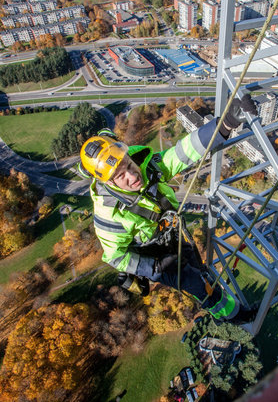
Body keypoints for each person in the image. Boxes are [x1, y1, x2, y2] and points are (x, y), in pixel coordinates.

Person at [79, 95, 257, 322]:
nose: (132, 175)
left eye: (128, 165)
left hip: (171, 238)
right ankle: (235, 315)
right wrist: (154, 268)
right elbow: (116, 257)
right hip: (156, 258)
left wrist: (225, 124)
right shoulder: (110, 214)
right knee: (198, 286)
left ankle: (208, 287)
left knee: (199, 269)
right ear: (107, 182)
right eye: (120, 176)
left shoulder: (147, 166)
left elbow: (182, 153)